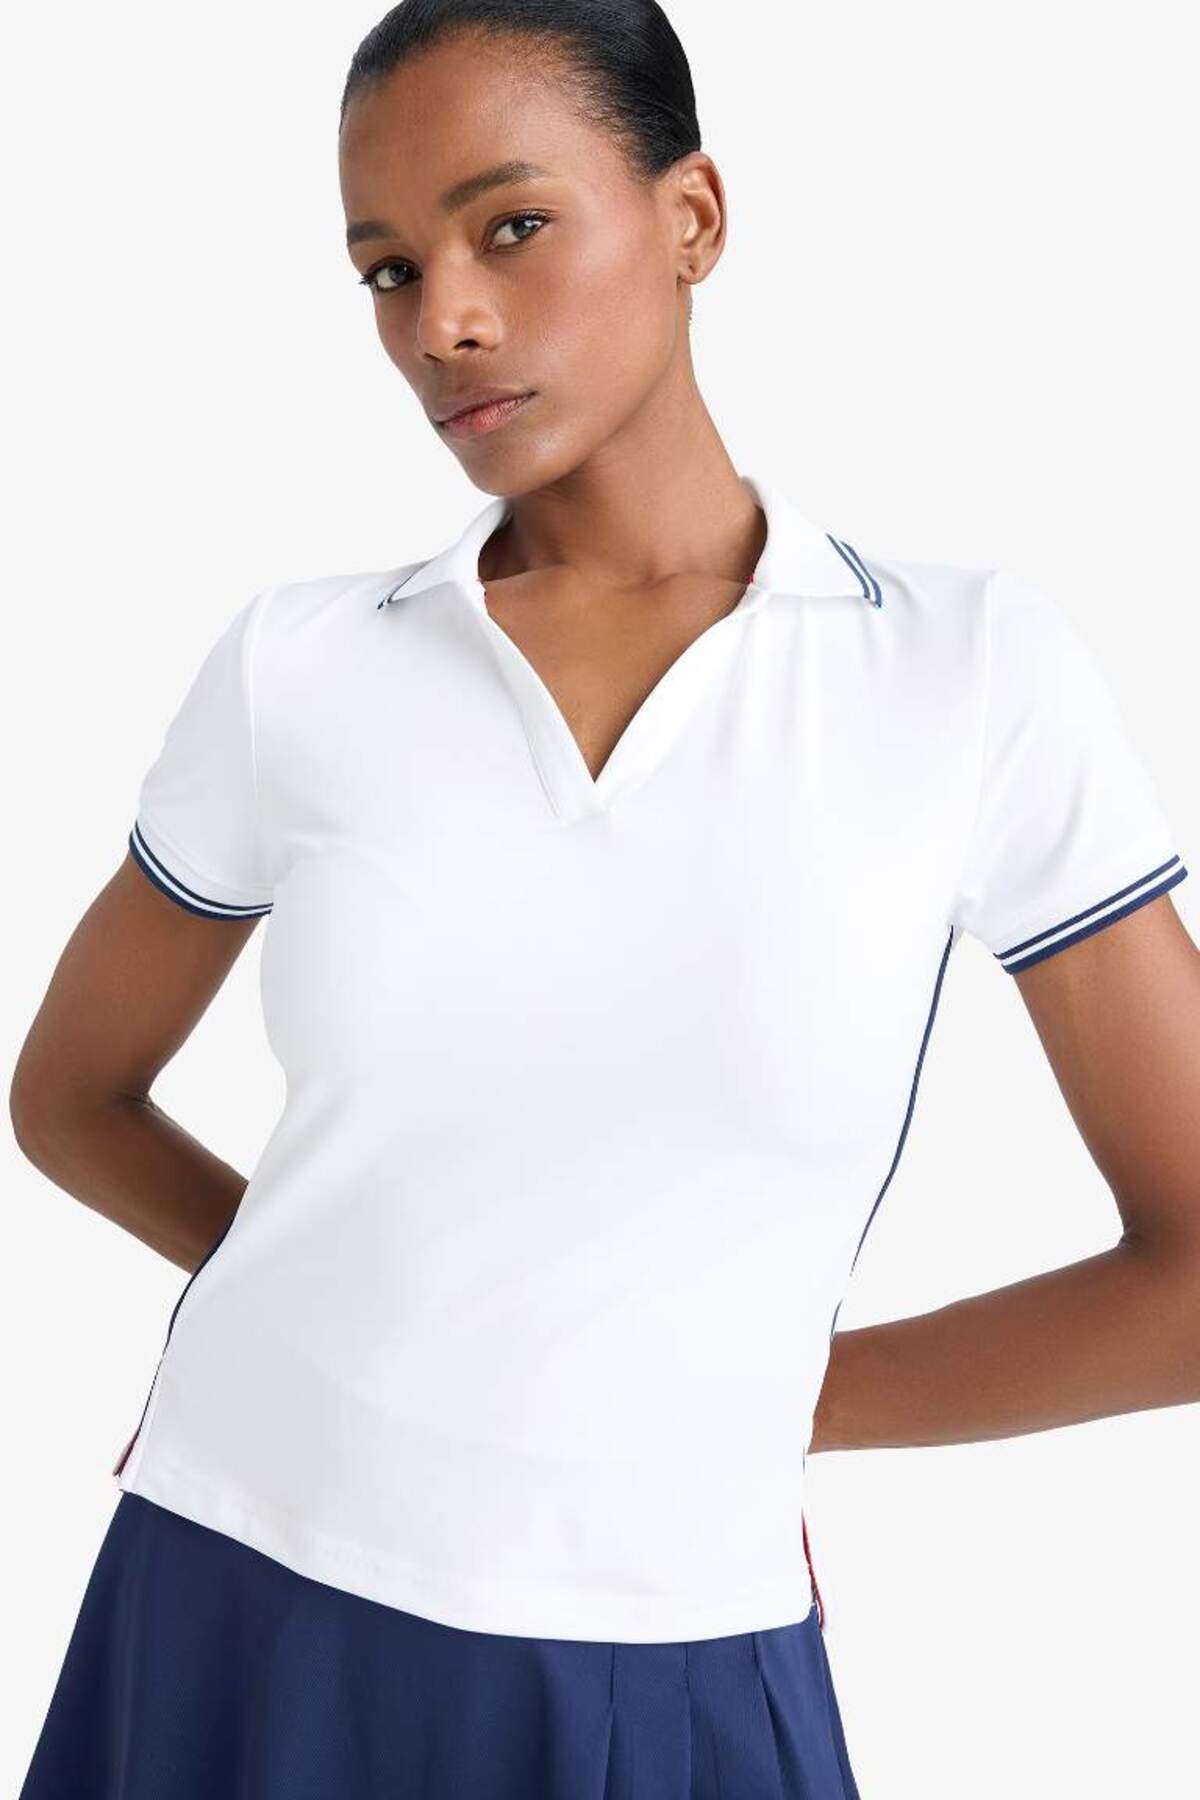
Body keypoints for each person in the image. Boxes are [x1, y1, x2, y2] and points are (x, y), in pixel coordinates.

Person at [12, 1, 1200, 1795]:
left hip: (665, 1640)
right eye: (388, 271)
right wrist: (382, 1324)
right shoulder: (303, 665)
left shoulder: (962, 673)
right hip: (234, 1580)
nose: (444, 321)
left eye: (510, 226)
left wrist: (757, 1400)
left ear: (693, 218)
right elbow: (69, 1098)